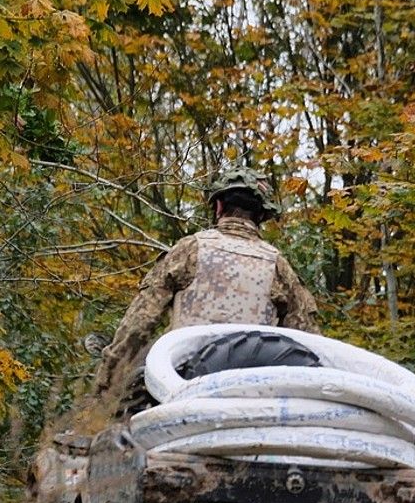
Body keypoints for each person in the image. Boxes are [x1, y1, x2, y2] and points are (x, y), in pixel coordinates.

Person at [92, 167, 319, 412]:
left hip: (182, 387)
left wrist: (105, 386)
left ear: (219, 206)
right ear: (261, 215)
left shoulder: (189, 250)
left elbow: (138, 325)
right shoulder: (278, 266)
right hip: (253, 397)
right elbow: (310, 342)